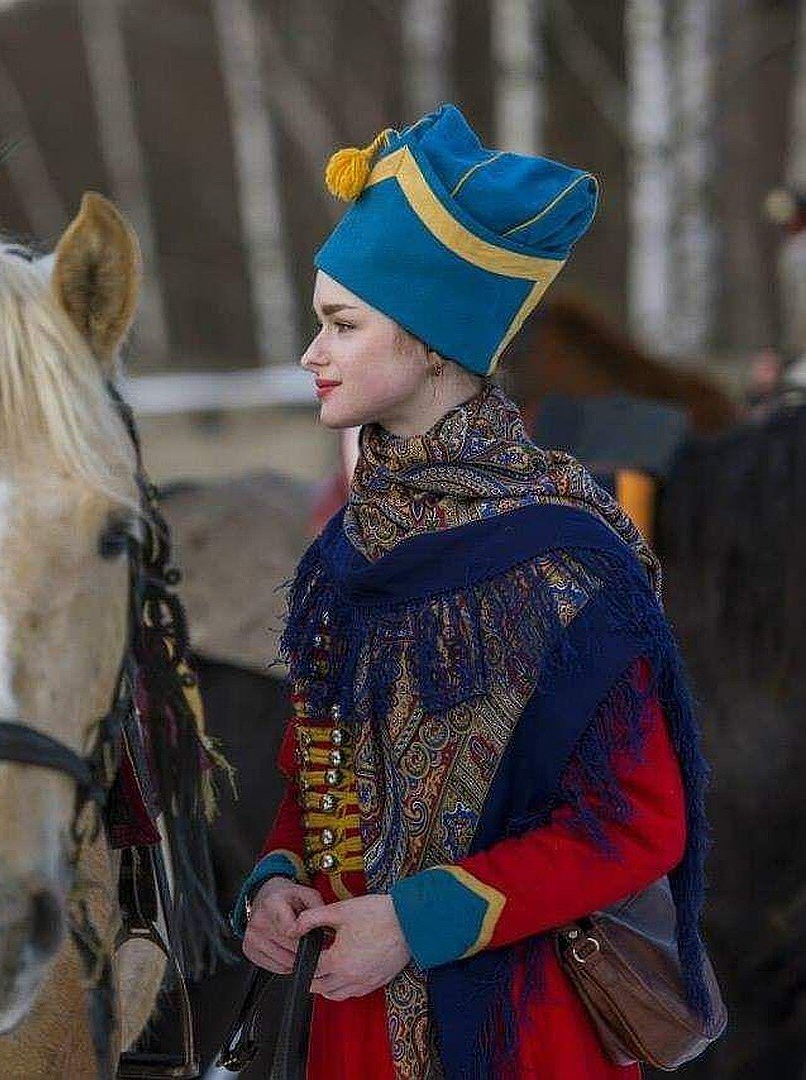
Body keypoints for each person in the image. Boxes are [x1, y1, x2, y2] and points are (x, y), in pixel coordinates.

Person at [232, 104, 718, 1078]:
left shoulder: (566, 561)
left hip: (519, 1036)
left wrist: (416, 922)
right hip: (344, 1031)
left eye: (341, 325)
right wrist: (284, 878)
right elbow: (319, 778)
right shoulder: (349, 549)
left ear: (428, 342)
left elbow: (635, 822)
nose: (311, 355)